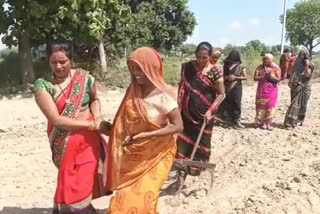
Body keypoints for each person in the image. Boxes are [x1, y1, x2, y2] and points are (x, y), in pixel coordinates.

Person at [34, 43, 111, 214]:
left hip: (89, 141)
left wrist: (97, 117)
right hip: (64, 141)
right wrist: (91, 125)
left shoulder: (85, 78)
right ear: (48, 62)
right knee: (69, 178)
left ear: (72, 60)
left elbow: (94, 100)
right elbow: (56, 119)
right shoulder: (43, 85)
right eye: (54, 62)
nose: (59, 66)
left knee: (85, 177)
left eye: (63, 61)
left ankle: (82, 209)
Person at [105, 47, 183, 214]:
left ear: (151, 68)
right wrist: (113, 131)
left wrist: (148, 134)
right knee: (122, 198)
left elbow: (178, 126)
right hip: (133, 154)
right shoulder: (132, 92)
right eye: (132, 68)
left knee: (145, 196)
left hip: (158, 153)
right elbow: (124, 121)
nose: (135, 73)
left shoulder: (164, 96)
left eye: (139, 68)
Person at [176, 42, 225, 176]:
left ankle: (197, 166)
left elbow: (221, 94)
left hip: (205, 114)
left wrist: (210, 111)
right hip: (186, 112)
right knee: (184, 138)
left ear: (210, 57)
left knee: (202, 139)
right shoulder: (188, 68)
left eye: (204, 58)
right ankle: (182, 163)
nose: (201, 60)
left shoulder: (215, 71)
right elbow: (182, 88)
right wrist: (178, 107)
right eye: (198, 57)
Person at [284, 48, 314, 128]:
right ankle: (293, 121)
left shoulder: (309, 64)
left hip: (303, 86)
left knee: (301, 103)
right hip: (295, 85)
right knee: (295, 102)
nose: (300, 56)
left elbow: (307, 75)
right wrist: (291, 81)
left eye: (302, 55)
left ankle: (297, 121)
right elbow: (293, 73)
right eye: (300, 54)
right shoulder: (297, 64)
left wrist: (306, 65)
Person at [254, 53, 281, 130]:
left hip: (272, 90)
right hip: (261, 89)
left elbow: (279, 79)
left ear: (271, 60)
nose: (265, 60)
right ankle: (259, 123)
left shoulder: (276, 68)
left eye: (267, 59)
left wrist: (271, 77)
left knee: (270, 106)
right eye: (264, 59)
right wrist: (264, 76)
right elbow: (255, 78)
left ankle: (268, 124)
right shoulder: (259, 67)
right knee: (260, 106)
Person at [222, 50, 247, 128]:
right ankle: (228, 121)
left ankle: (236, 120)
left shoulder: (241, 67)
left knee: (237, 102)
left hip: (237, 86)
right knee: (228, 102)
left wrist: (236, 77)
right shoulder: (226, 66)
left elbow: (245, 77)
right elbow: (222, 77)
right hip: (228, 86)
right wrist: (227, 77)